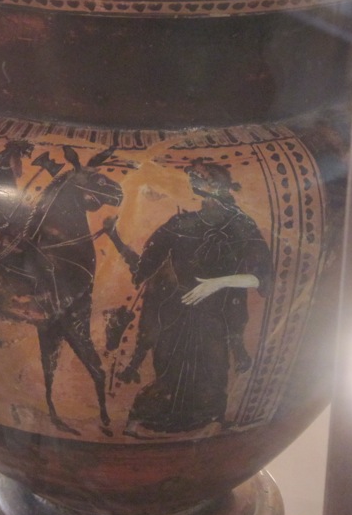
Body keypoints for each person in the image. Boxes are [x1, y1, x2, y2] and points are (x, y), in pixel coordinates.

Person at [110, 159, 272, 435]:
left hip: (217, 313)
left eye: (199, 180)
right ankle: (144, 419)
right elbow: (145, 267)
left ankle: (211, 422)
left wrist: (218, 283)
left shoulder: (242, 226)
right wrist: (118, 242)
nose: (195, 186)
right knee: (168, 371)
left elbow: (263, 277)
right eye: (194, 181)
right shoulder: (180, 224)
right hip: (176, 312)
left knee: (213, 370)